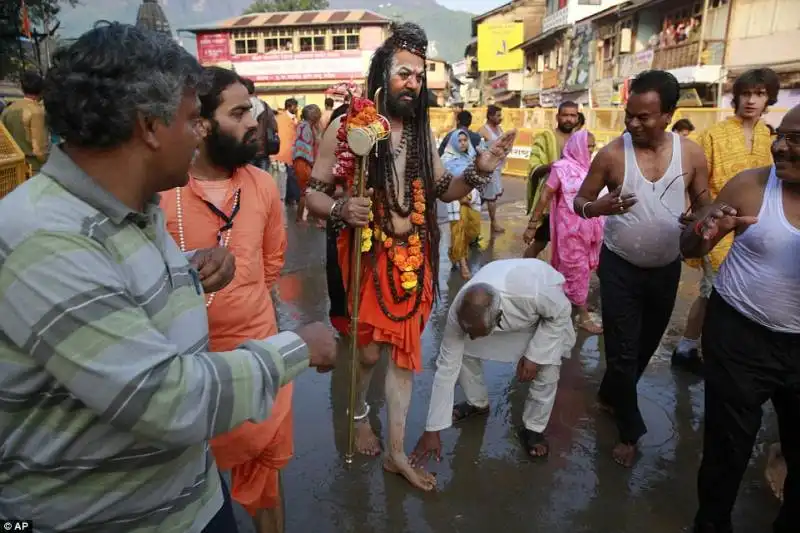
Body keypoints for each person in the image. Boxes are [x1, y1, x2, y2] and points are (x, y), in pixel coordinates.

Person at [0, 23, 336, 533]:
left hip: (186, 496)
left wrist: (187, 273)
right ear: (149, 127)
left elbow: (127, 304)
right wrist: (297, 348)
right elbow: (165, 400)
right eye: (192, 119)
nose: (200, 133)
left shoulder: (137, 212)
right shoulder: (46, 240)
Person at [304, 22, 515, 491]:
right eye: (404, 73)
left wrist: (479, 171)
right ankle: (359, 415)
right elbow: (313, 196)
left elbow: (446, 190)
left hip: (414, 260)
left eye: (419, 77)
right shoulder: (347, 125)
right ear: (383, 72)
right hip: (365, 257)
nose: (412, 83)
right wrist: (340, 206)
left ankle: (396, 453)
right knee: (370, 351)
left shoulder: (422, 132)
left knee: (402, 356)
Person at [159, 66, 291, 533]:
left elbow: (272, 264)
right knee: (193, 492)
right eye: (238, 112)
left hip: (262, 359)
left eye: (251, 109)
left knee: (267, 486)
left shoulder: (263, 186)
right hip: (191, 375)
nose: (253, 121)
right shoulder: (161, 192)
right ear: (202, 123)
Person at [573, 70, 710, 468]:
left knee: (645, 347)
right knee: (621, 350)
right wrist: (597, 208)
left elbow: (703, 203)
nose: (633, 124)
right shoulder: (613, 154)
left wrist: (700, 220)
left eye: (643, 117)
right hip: (619, 268)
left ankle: (610, 395)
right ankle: (630, 432)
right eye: (629, 115)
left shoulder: (692, 154)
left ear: (668, 114)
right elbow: (579, 201)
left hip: (666, 270)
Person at [680, 104, 800, 533]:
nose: (782, 147)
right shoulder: (750, 186)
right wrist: (704, 231)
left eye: (796, 140)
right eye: (780, 135)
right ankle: (711, 525)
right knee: (727, 449)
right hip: (739, 337)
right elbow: (689, 248)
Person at [410, 258, 576, 463]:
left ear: (498, 318)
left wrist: (534, 356)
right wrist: (432, 429)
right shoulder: (459, 311)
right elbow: (446, 367)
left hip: (541, 319)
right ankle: (477, 403)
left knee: (548, 367)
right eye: (468, 331)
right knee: (461, 353)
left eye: (476, 333)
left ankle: (534, 429)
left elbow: (561, 313)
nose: (470, 338)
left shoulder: (533, 293)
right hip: (491, 317)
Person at [672, 68, 778, 373]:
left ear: (768, 98)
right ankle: (715, 354)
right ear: (736, 97)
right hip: (716, 223)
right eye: (745, 94)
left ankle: (687, 347)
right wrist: (692, 216)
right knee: (717, 289)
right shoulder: (713, 134)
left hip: (753, 227)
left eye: (758, 94)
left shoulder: (767, 135)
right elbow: (696, 180)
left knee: (723, 292)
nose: (751, 100)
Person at [525, 130, 603, 334]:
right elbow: (545, 196)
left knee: (581, 270)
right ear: (577, 146)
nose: (591, 150)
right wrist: (533, 225)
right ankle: (583, 316)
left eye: (593, 147)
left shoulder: (590, 168)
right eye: (588, 146)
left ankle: (568, 304)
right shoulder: (561, 168)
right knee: (575, 270)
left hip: (589, 230)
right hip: (569, 232)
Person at [524, 101, 581, 258]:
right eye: (565, 115)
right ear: (558, 117)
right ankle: (522, 273)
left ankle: (563, 279)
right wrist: (555, 166)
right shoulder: (545, 137)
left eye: (573, 115)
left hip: (570, 202)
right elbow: (534, 167)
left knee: (571, 245)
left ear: (577, 117)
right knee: (540, 243)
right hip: (549, 201)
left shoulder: (579, 139)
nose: (569, 119)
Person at [440, 130, 479, 280]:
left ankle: (456, 254)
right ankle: (463, 265)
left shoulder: (471, 157)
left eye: (465, 140)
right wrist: (460, 196)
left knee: (472, 230)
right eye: (460, 140)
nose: (463, 143)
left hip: (471, 200)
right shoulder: (446, 160)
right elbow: (446, 182)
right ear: (454, 143)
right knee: (459, 231)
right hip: (455, 200)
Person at [1, 70, 48, 174]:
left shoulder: (8, 109)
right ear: (42, 90)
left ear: (23, 89)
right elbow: (39, 149)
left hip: (12, 168)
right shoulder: (37, 112)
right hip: (33, 169)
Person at [293, 104, 322, 225]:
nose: (319, 114)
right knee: (306, 190)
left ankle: (312, 217)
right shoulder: (305, 127)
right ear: (312, 115)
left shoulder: (308, 126)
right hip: (303, 162)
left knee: (310, 190)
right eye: (317, 112)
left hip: (305, 162)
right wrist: (312, 162)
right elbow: (304, 148)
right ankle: (300, 218)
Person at [479, 105, 507, 234]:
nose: (500, 118)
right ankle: (493, 222)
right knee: (491, 196)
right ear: (490, 116)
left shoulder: (499, 129)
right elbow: (477, 148)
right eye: (497, 115)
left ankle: (473, 219)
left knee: (485, 196)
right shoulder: (483, 130)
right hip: (488, 168)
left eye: (500, 115)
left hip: (498, 167)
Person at [275, 98, 299, 206]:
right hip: (286, 150)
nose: (296, 108)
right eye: (295, 106)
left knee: (287, 175)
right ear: (289, 107)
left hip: (286, 150)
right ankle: (288, 197)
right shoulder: (285, 119)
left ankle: (288, 197)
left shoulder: (283, 118)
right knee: (288, 175)